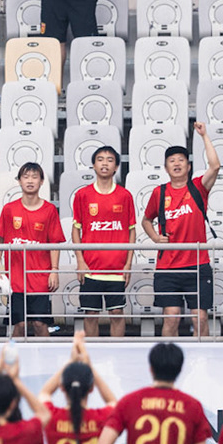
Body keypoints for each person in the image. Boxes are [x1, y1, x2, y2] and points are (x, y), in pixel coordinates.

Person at [142, 124, 223, 338]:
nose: (176, 164)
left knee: (200, 318)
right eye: (172, 161)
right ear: (166, 167)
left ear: (188, 166)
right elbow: (146, 220)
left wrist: (204, 135)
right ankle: (169, 366)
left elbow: (215, 166)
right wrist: (155, 237)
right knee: (171, 318)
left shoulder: (198, 188)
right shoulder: (159, 193)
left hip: (198, 264)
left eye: (181, 160)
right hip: (168, 267)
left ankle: (204, 362)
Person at [72, 145, 137, 338]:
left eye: (110, 160)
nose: (105, 163)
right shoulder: (83, 195)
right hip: (90, 267)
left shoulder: (125, 196)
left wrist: (128, 264)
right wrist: (80, 261)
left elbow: (132, 232)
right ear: (93, 165)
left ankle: (117, 354)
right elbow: (76, 229)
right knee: (90, 314)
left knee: (117, 313)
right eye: (100, 159)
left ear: (116, 166)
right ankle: (93, 357)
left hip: (116, 268)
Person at [0, 160, 63, 338]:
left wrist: (54, 271)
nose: (30, 180)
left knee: (40, 323)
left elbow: (55, 242)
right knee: (20, 324)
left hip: (40, 278)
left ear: (41, 182)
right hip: (16, 279)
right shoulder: (9, 210)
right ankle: (15, 364)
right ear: (19, 181)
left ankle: (46, 362)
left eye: (34, 177)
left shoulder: (49, 210)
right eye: (26, 177)